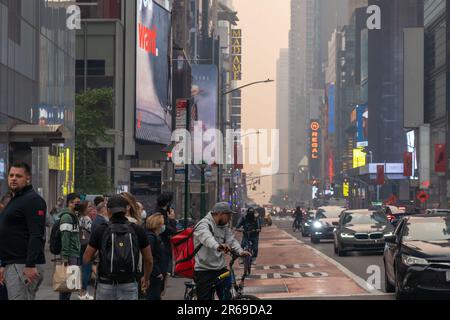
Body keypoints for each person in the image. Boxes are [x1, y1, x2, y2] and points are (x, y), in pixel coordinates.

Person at [83, 195, 153, 300]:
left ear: (108, 210)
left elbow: (86, 258)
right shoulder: (137, 229)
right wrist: (146, 278)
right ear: (126, 209)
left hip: (105, 283)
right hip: (129, 283)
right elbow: (149, 259)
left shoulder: (101, 230)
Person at [0, 163, 47, 300]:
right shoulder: (16, 200)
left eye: (18, 176)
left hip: (23, 265)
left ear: (28, 178)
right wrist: (3, 265)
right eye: (11, 175)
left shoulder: (33, 200)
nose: (14, 178)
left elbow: (36, 234)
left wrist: (30, 264)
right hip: (13, 264)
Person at [193, 202, 251, 300]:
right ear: (220, 214)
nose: (230, 218)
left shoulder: (224, 226)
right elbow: (207, 239)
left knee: (226, 297)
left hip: (220, 268)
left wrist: (240, 252)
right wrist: (218, 246)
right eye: (228, 215)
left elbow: (231, 240)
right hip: (204, 270)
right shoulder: (203, 225)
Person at [58, 193, 82, 301]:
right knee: (67, 286)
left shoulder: (74, 216)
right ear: (70, 203)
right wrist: (65, 257)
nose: (78, 205)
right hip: (70, 255)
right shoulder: (67, 217)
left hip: (74, 254)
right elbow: (65, 238)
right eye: (77, 203)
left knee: (70, 285)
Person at [144, 214, 169, 300]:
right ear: (158, 225)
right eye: (162, 224)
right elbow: (148, 256)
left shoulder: (153, 236)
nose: (163, 226)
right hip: (154, 275)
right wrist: (157, 272)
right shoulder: (151, 237)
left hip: (156, 273)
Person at [78, 202, 93, 300]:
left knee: (80, 268)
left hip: (79, 245)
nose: (91, 208)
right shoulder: (87, 219)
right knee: (86, 268)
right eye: (89, 206)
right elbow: (91, 232)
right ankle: (83, 291)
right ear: (84, 209)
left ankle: (81, 291)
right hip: (86, 246)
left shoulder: (78, 218)